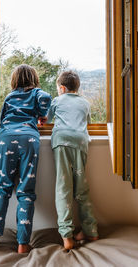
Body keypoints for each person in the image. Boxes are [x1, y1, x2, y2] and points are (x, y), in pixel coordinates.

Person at [0, 64, 51, 253]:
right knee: (26, 190)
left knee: (3, 186)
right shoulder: (37, 93)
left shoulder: (10, 96)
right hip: (28, 139)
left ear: (14, 81)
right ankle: (23, 243)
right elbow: (46, 98)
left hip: (6, 139)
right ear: (33, 79)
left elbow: (3, 118)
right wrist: (43, 115)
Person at [47, 70, 99, 250]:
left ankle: (67, 237)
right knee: (81, 189)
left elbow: (45, 120)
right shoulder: (85, 102)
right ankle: (91, 231)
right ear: (77, 87)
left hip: (62, 141)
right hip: (81, 143)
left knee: (64, 188)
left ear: (61, 88)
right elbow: (88, 123)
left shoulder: (57, 100)